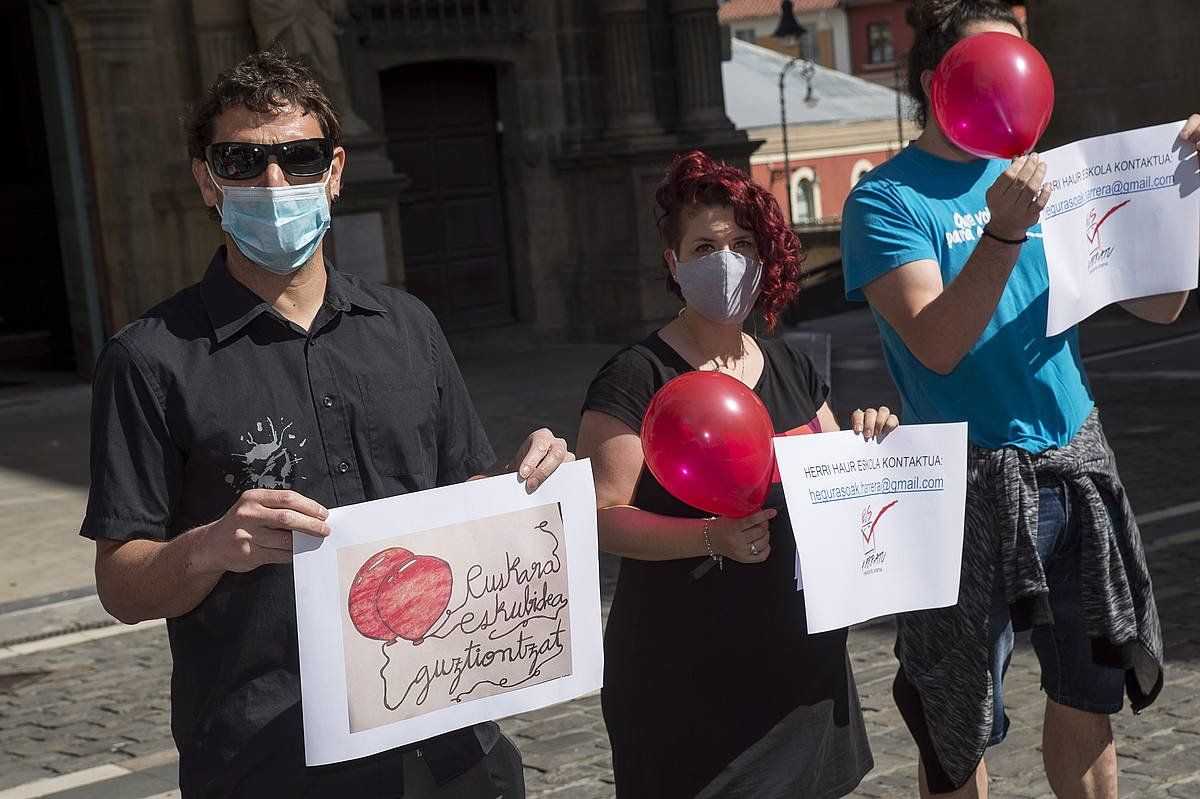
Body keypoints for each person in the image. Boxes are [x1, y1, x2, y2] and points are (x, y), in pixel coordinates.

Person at [81, 50, 573, 798]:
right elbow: (121, 584)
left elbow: (462, 496)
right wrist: (211, 546)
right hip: (274, 759)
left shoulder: (408, 325)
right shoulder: (149, 359)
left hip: (449, 739)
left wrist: (526, 487)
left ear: (334, 171)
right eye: (241, 161)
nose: (274, 184)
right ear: (206, 180)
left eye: (299, 158)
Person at [840, 2, 1199, 796]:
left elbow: (1161, 305)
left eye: (1023, 58)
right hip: (967, 487)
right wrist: (1002, 233)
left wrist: (1182, 195)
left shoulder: (1054, 172)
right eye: (991, 61)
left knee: (1089, 690)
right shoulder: (887, 200)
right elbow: (936, 342)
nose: (1015, 78)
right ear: (942, 82)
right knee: (957, 716)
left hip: (1076, 465)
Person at [577, 150, 897, 798]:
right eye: (705, 245)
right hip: (686, 678)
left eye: (742, 242)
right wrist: (708, 537)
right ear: (673, 263)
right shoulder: (636, 375)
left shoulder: (792, 366)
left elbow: (839, 494)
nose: (726, 259)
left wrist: (872, 444)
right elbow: (598, 514)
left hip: (802, 674)